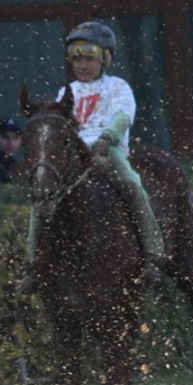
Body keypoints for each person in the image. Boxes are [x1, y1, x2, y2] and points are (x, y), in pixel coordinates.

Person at [50, 21, 165, 281]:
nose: (81, 65)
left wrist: (107, 136)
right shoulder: (66, 91)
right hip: (74, 154)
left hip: (107, 149)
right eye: (76, 59)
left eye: (88, 58)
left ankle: (153, 252)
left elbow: (123, 115)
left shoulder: (117, 86)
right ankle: (33, 263)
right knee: (43, 194)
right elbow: (59, 122)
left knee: (131, 184)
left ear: (104, 58)